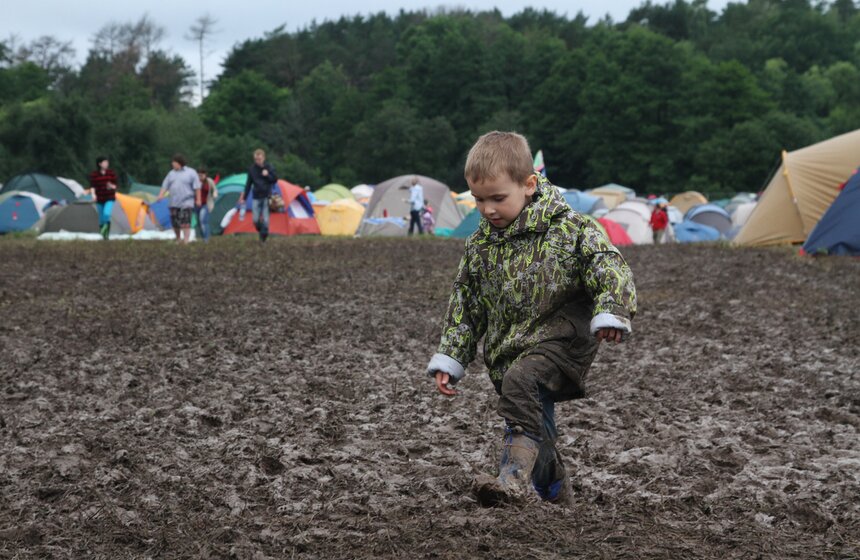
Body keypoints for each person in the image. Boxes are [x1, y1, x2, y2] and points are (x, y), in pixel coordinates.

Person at [425, 131, 637, 506]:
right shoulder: (480, 245)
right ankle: (557, 493)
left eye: (498, 198)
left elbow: (607, 265)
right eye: (478, 200)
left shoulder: (570, 228)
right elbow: (465, 303)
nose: (488, 209)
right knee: (534, 421)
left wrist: (611, 310)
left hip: (564, 340)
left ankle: (511, 479)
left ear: (529, 185)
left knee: (520, 382)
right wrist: (452, 357)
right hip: (514, 348)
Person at [158, 154, 201, 244]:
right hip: (173, 201)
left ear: (179, 163)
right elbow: (165, 185)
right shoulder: (171, 173)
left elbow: (197, 187)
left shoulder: (191, 172)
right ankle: (178, 238)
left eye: (174, 162)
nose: (172, 164)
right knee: (175, 222)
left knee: (186, 220)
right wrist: (161, 195)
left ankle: (186, 240)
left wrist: (198, 199)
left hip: (187, 200)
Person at [239, 149, 278, 242]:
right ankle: (263, 232)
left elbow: (275, 179)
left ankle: (263, 237)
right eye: (256, 159)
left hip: (266, 196)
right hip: (256, 196)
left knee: (266, 220)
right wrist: (244, 197)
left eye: (259, 159)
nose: (258, 161)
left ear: (263, 158)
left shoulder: (269, 167)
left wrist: (268, 175)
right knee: (255, 220)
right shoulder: (252, 169)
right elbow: (248, 184)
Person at [87, 156, 118, 240]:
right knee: (101, 217)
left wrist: (111, 186)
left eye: (107, 162)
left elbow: (115, 186)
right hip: (99, 198)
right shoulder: (94, 174)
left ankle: (105, 233)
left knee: (106, 214)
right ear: (100, 164)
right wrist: (93, 195)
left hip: (109, 197)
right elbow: (92, 186)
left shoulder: (111, 173)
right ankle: (104, 236)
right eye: (105, 162)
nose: (106, 164)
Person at [195, 166, 218, 242]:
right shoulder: (195, 182)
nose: (200, 177)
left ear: (205, 175)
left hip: (206, 204)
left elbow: (214, 189)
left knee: (203, 220)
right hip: (196, 204)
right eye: (199, 175)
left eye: (202, 175)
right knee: (199, 222)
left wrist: (214, 194)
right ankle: (203, 237)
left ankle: (206, 239)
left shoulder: (209, 181)